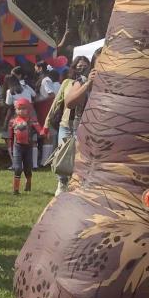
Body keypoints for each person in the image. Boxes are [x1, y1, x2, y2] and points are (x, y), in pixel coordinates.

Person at [50, 54, 92, 195]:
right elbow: (58, 102)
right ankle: (62, 182)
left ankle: (77, 184)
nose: (81, 69)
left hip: (83, 125)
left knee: (79, 156)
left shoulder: (91, 83)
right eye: (78, 66)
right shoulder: (67, 82)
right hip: (66, 123)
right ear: (73, 68)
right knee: (63, 154)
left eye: (84, 67)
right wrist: (47, 122)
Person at [8, 97, 46, 194]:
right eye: (19, 109)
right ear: (16, 110)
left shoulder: (32, 121)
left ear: (28, 109)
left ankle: (28, 183)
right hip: (18, 147)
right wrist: (10, 147)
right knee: (17, 168)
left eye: (24, 108)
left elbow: (40, 130)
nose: (21, 111)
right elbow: (10, 137)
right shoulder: (13, 122)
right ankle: (15, 190)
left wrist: (44, 132)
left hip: (28, 147)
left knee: (28, 168)